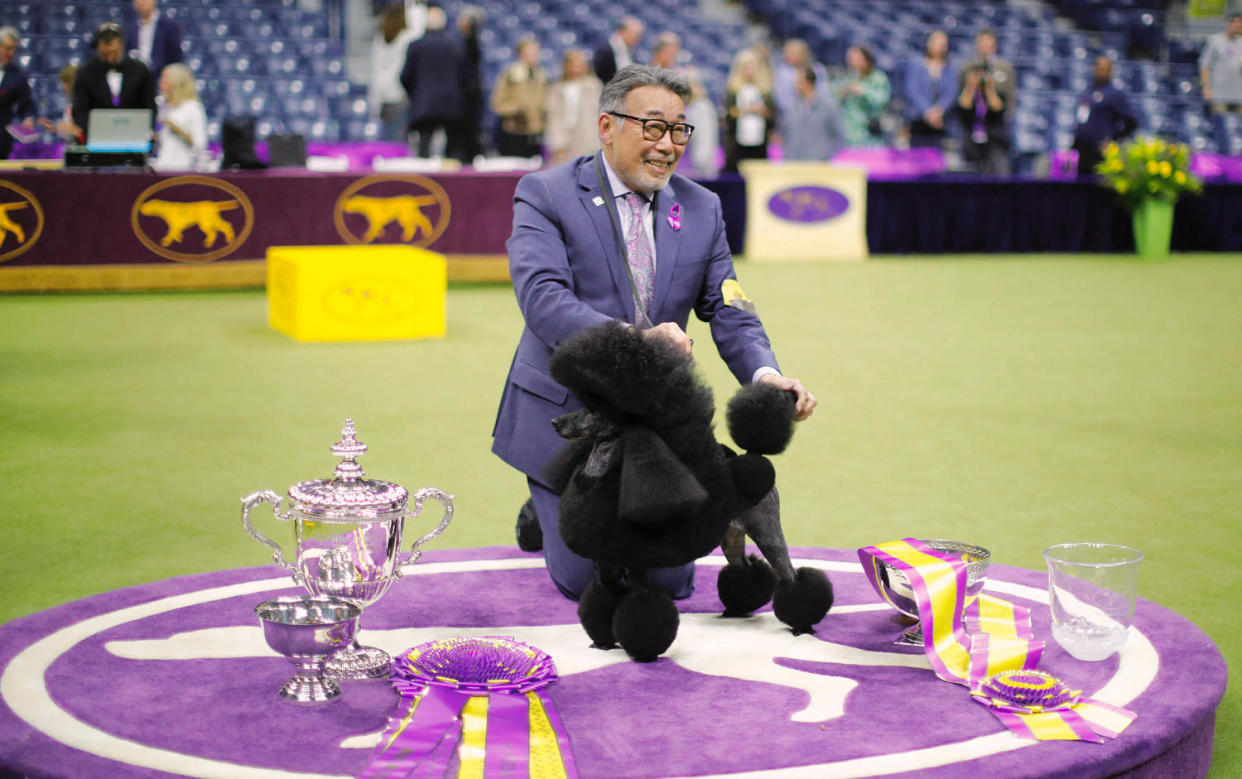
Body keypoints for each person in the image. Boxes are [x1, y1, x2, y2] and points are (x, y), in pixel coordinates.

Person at [492, 64, 817, 601]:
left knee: (670, 581)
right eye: (652, 127)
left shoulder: (701, 207)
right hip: (571, 421)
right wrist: (635, 342)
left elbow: (729, 305)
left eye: (679, 130)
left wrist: (767, 376)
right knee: (587, 583)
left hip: (659, 422)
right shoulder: (545, 193)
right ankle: (545, 495)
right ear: (606, 127)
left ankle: (550, 507)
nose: (668, 145)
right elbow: (543, 300)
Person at [399, 4, 468, 159]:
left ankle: (426, 182)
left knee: (424, 149)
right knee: (452, 151)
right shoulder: (456, 45)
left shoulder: (416, 45)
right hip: (451, 103)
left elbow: (405, 76)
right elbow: (465, 76)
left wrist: (415, 94)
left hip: (425, 104)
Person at [71, 23, 157, 144]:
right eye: (104, 54)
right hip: (97, 143)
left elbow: (149, 107)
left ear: (122, 45)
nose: (109, 58)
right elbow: (80, 110)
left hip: (134, 141)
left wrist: (143, 130)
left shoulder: (140, 70)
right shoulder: (85, 73)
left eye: (113, 53)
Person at [1071, 56, 1137, 177]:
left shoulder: (1115, 94)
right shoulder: (1088, 91)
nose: (1100, 71)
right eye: (1098, 67)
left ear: (1110, 71)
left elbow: (1131, 123)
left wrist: (1113, 140)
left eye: (1104, 68)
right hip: (1081, 148)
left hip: (1100, 151)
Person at [490, 36, 548, 158]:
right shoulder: (511, 74)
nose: (533, 56)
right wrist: (515, 110)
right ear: (521, 54)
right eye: (529, 53)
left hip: (535, 131)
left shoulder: (542, 75)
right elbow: (497, 102)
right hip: (515, 130)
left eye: (535, 53)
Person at [544, 48, 603, 165]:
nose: (577, 68)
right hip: (565, 142)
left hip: (588, 141)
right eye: (573, 65)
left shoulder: (594, 86)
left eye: (580, 64)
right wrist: (557, 143)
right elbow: (553, 117)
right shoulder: (557, 88)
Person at [368, 3, 418, 143]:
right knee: (399, 140)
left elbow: (375, 68)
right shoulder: (407, 38)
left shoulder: (379, 37)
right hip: (400, 94)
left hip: (383, 94)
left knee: (388, 139)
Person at [903, 30, 958, 149]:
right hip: (918, 119)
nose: (938, 48)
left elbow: (951, 93)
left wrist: (939, 110)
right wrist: (927, 112)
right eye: (935, 43)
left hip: (940, 121)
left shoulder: (950, 68)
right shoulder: (916, 65)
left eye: (942, 44)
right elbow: (912, 90)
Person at [723, 48, 776, 171]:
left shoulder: (765, 92)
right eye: (746, 67)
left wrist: (763, 112)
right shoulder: (733, 90)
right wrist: (746, 110)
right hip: (737, 145)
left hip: (759, 144)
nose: (750, 71)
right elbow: (728, 116)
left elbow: (773, 118)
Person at [955, 60, 1008, 175]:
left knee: (999, 170)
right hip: (970, 142)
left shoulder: (996, 95)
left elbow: (998, 109)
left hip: (993, 141)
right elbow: (963, 109)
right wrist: (970, 86)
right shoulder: (966, 95)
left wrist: (989, 88)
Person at [150, 63, 206, 170]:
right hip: (161, 166)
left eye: (165, 79)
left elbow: (200, 143)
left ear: (176, 82)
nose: (161, 82)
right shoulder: (165, 107)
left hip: (183, 167)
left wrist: (176, 128)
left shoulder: (193, 107)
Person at [782, 67, 843, 161]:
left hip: (819, 164)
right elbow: (785, 133)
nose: (793, 84)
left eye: (797, 81)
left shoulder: (828, 106)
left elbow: (838, 134)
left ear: (808, 82)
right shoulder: (791, 107)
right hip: (793, 164)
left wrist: (826, 155)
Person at [772, 39, 829, 139]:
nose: (786, 55)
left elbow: (822, 94)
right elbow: (781, 98)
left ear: (802, 54)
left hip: (815, 119)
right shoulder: (782, 72)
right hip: (789, 119)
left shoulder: (818, 70)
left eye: (790, 52)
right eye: (785, 52)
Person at [1200, 13, 1242, 149]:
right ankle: (1221, 154)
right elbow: (1205, 66)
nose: (1236, 26)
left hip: (1239, 95)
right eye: (1234, 22)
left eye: (1239, 23)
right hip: (1220, 94)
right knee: (1221, 127)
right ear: (1229, 24)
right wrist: (1206, 88)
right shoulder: (1215, 41)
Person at [959, 29, 1016, 128]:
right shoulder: (967, 67)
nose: (985, 49)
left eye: (988, 45)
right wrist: (971, 86)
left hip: (996, 122)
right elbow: (961, 98)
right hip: (970, 120)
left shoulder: (1005, 68)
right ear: (977, 45)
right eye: (982, 45)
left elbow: (1010, 97)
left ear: (994, 46)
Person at [836, 45, 890, 147]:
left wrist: (864, 91)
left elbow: (883, 100)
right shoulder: (844, 77)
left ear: (866, 60)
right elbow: (833, 100)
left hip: (870, 133)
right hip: (847, 134)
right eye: (849, 59)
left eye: (855, 59)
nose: (851, 62)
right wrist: (843, 93)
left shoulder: (878, 78)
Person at [0, 27, 35, 160]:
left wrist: (27, 118)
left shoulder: (18, 75)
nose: (11, 54)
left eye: (14, 49)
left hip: (1, 138)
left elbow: (26, 104)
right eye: (8, 48)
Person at [124, 0, 182, 80]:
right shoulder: (130, 29)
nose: (143, 1)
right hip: (136, 81)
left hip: (161, 81)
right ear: (134, 4)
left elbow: (176, 58)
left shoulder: (169, 26)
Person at [456, 5, 486, 161]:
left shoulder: (469, 42)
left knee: (468, 136)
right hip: (469, 96)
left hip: (468, 98)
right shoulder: (467, 42)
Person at [682, 68, 719, 177]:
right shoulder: (694, 106)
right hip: (696, 161)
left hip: (703, 163)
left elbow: (705, 137)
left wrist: (701, 162)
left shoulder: (701, 106)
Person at [593, 16, 643, 86]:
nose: (637, 39)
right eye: (635, 35)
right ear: (622, 31)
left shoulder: (630, 50)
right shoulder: (605, 49)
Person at [39, 64, 81, 142]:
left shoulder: (82, 106)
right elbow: (68, 132)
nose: (62, 87)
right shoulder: (70, 105)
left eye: (65, 83)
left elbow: (80, 133)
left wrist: (66, 129)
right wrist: (54, 128)